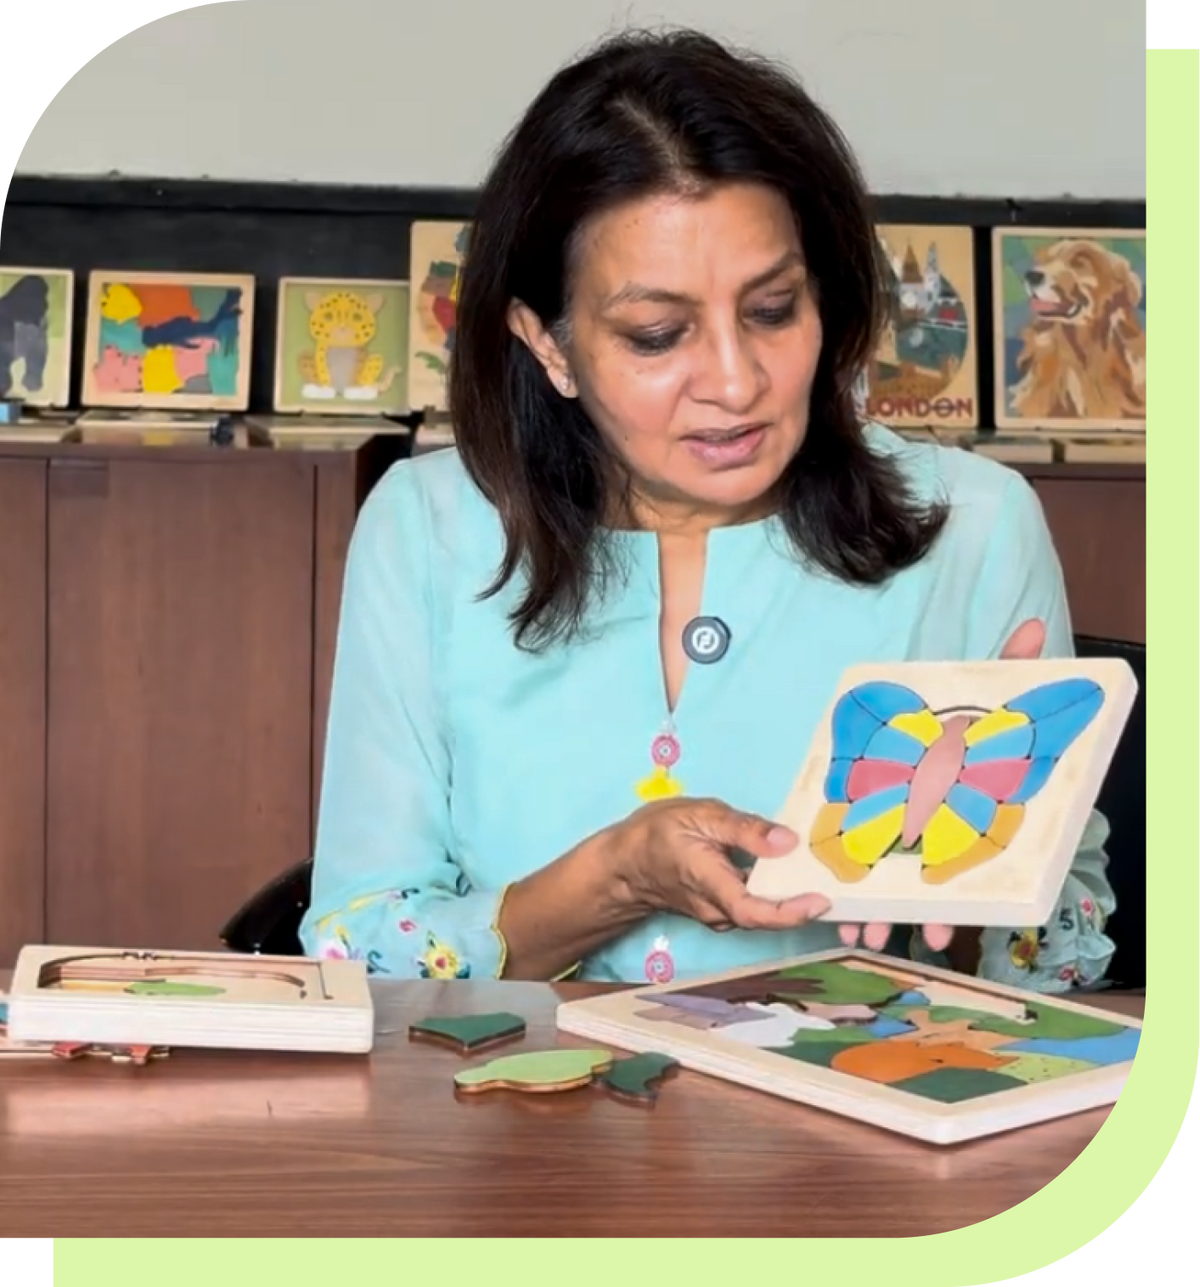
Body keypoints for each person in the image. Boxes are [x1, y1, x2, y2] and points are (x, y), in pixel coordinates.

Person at [298, 28, 1117, 992]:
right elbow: (356, 944)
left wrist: (1006, 870)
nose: (735, 382)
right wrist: (614, 879)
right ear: (548, 343)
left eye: (772, 310)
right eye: (657, 334)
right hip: (504, 1091)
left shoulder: (973, 526)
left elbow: (1064, 966)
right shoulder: (428, 529)